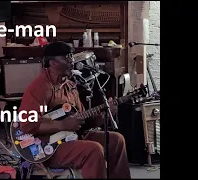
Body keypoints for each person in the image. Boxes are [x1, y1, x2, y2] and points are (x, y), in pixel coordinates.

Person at [18, 41, 131, 179]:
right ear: (52, 62)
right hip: (46, 148)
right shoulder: (40, 88)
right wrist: (62, 125)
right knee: (94, 150)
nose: (72, 60)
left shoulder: (71, 86)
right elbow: (27, 125)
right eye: (67, 56)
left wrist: (103, 117)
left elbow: (82, 122)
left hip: (72, 137)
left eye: (72, 56)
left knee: (116, 140)